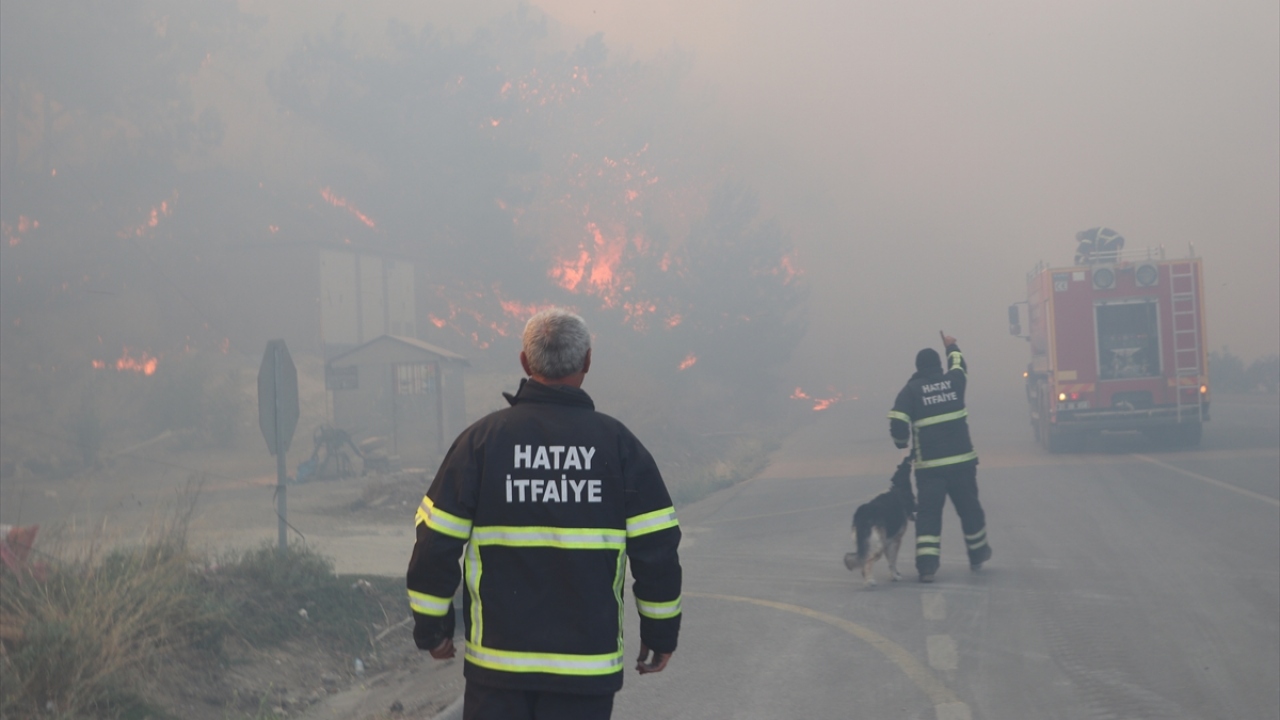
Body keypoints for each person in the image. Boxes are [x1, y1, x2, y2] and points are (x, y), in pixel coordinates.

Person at [407, 308, 682, 720]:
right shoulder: (619, 446)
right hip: (585, 672)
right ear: (587, 361)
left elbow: (434, 542)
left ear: (524, 362)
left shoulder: (481, 442)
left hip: (498, 671)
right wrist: (660, 633)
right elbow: (657, 550)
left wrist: (433, 629)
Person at [887, 332, 992, 583]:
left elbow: (898, 423)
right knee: (970, 510)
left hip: (930, 469)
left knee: (929, 517)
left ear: (918, 368)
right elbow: (959, 364)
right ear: (938, 365)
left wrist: (902, 445)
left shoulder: (910, 391)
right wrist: (951, 345)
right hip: (962, 464)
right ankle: (978, 554)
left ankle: (927, 567)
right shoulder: (954, 382)